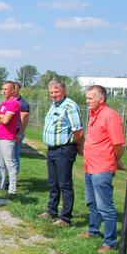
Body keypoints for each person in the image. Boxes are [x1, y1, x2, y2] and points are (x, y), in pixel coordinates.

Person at [81, 85, 125, 253]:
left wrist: (115, 160)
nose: (87, 101)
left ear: (102, 99)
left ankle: (109, 242)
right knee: (91, 203)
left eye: (90, 98)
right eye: (87, 98)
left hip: (102, 168)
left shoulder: (110, 116)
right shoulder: (93, 114)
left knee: (105, 207)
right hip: (90, 167)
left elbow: (118, 144)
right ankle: (93, 231)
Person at [38, 78, 84, 227]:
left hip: (64, 150)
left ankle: (65, 218)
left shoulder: (69, 106)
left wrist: (79, 146)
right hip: (52, 149)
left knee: (64, 183)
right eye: (51, 92)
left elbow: (77, 130)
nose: (53, 94)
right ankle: (51, 210)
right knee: (53, 182)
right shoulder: (54, 106)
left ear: (64, 91)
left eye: (56, 91)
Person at [0, 81, 30, 183]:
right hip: (3, 133)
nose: (4, 91)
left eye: (16, 89)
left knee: (13, 158)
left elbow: (23, 121)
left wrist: (19, 134)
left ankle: (12, 181)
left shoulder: (23, 104)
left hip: (14, 133)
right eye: (3, 89)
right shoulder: (6, 103)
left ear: (16, 90)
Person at [0, 81, 21, 195]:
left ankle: (12, 189)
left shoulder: (14, 103)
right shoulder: (3, 104)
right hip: (0, 136)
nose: (4, 91)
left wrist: (1, 117)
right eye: (3, 89)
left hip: (8, 138)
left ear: (13, 90)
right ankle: (1, 184)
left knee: (10, 163)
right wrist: (1, 116)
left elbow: (6, 120)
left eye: (6, 89)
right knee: (0, 162)